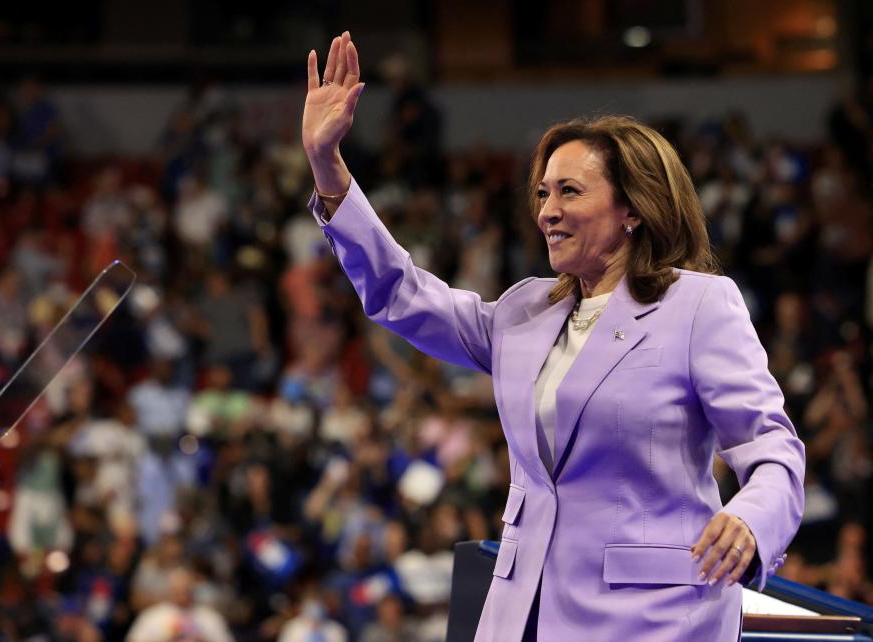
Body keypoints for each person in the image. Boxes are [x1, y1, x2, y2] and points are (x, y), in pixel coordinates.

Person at [301, 32, 806, 641]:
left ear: (633, 208)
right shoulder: (524, 312)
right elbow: (400, 292)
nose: (546, 210)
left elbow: (773, 450)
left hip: (655, 621)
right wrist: (328, 167)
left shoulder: (697, 305)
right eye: (542, 192)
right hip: (523, 615)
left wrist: (751, 521)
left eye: (569, 191)